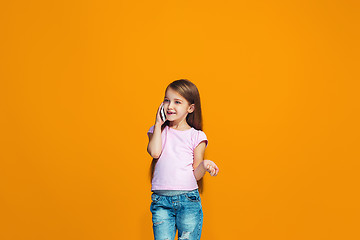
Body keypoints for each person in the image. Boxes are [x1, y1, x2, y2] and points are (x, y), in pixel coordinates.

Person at [146, 79, 219, 240]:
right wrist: (158, 123)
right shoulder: (158, 131)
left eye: (177, 102)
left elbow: (196, 174)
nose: (170, 106)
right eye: (167, 100)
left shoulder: (196, 136)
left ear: (190, 108)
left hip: (188, 199)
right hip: (161, 201)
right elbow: (155, 152)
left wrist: (205, 165)